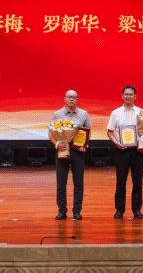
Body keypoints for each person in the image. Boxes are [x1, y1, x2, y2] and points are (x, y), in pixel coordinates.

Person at [107, 85, 143, 219]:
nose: (128, 96)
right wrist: (116, 143)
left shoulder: (141, 112)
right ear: (122, 96)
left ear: (135, 96)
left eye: (131, 94)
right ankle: (119, 209)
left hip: (138, 151)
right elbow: (109, 132)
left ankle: (137, 209)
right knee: (120, 182)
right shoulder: (116, 113)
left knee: (138, 182)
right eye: (126, 94)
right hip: (122, 151)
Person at [49, 90, 92, 221]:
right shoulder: (57, 114)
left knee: (78, 183)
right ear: (64, 99)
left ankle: (77, 211)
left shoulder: (83, 114)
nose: (71, 99)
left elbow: (88, 132)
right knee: (61, 182)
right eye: (69, 97)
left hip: (78, 151)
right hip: (62, 150)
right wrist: (57, 144)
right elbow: (51, 132)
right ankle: (62, 211)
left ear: (77, 99)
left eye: (74, 97)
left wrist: (84, 144)